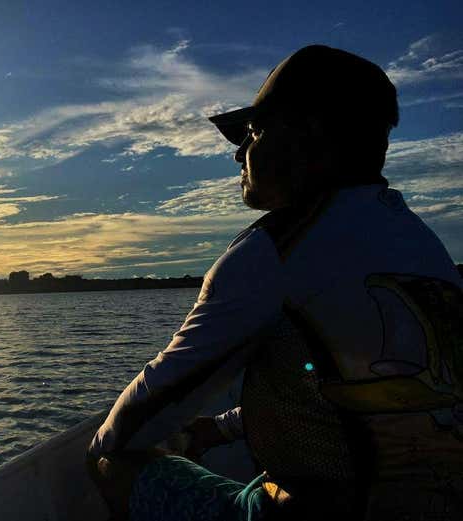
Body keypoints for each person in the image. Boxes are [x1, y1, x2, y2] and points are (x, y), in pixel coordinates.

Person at [85, 44, 463, 521]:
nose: (240, 154)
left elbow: (139, 421)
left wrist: (102, 447)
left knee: (105, 458)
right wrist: (219, 430)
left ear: (311, 134)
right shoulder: (424, 250)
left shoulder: (275, 250)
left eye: (255, 132)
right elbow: (365, 393)